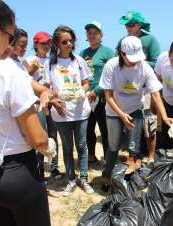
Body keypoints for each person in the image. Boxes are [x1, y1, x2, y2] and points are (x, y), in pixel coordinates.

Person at [0, 0, 56, 226]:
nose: (10, 46)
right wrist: (49, 145)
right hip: (14, 173)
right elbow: (36, 138)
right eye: (10, 37)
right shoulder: (7, 70)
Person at [99, 36, 173, 191]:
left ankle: (130, 178)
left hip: (135, 109)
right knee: (113, 146)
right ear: (122, 53)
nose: (134, 62)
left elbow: (155, 94)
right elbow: (108, 96)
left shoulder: (144, 67)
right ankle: (107, 175)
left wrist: (165, 116)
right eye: (131, 58)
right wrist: (121, 115)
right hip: (114, 111)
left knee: (134, 147)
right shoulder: (111, 66)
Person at [43, 25, 94, 196]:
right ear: (57, 43)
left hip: (80, 111)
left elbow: (87, 83)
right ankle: (71, 179)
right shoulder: (50, 63)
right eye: (65, 41)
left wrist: (82, 91)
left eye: (71, 41)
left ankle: (84, 178)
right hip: (61, 113)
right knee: (66, 147)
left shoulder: (78, 61)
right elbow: (45, 89)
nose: (69, 44)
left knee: (81, 145)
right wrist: (56, 98)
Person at [120, 10, 161, 163]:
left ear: (139, 25)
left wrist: (137, 61)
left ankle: (151, 156)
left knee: (149, 123)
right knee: (131, 123)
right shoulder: (124, 41)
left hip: (146, 89)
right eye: (126, 25)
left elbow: (156, 63)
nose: (128, 28)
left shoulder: (151, 40)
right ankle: (133, 155)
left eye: (131, 24)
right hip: (129, 88)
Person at [24, 31, 63, 180]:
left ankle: (54, 167)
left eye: (48, 43)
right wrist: (33, 69)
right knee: (40, 137)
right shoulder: (28, 60)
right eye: (43, 43)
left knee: (53, 135)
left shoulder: (52, 61)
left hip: (51, 104)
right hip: (36, 106)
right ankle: (39, 168)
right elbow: (24, 80)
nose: (46, 46)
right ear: (35, 44)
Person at [80, 21, 114, 164]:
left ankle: (107, 157)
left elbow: (112, 74)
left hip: (102, 97)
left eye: (95, 33)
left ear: (101, 35)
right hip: (87, 98)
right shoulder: (82, 53)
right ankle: (92, 155)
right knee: (88, 130)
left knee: (105, 129)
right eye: (89, 33)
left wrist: (97, 91)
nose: (92, 35)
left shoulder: (108, 52)